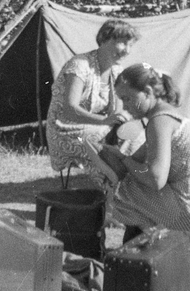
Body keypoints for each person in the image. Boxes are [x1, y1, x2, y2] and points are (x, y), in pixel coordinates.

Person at [100, 63, 190, 277]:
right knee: (133, 184)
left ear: (148, 92)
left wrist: (123, 162)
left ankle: (151, 252)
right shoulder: (171, 116)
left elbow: (155, 178)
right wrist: (119, 157)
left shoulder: (158, 121)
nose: (124, 107)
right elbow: (139, 159)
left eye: (127, 98)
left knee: (124, 190)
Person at [45, 18, 140, 176]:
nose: (127, 50)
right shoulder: (80, 65)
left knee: (133, 136)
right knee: (103, 143)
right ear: (104, 39)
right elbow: (69, 110)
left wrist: (122, 121)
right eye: (123, 43)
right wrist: (104, 121)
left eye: (130, 45)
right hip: (65, 129)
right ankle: (112, 185)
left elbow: (115, 114)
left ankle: (128, 184)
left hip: (98, 126)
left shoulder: (117, 72)